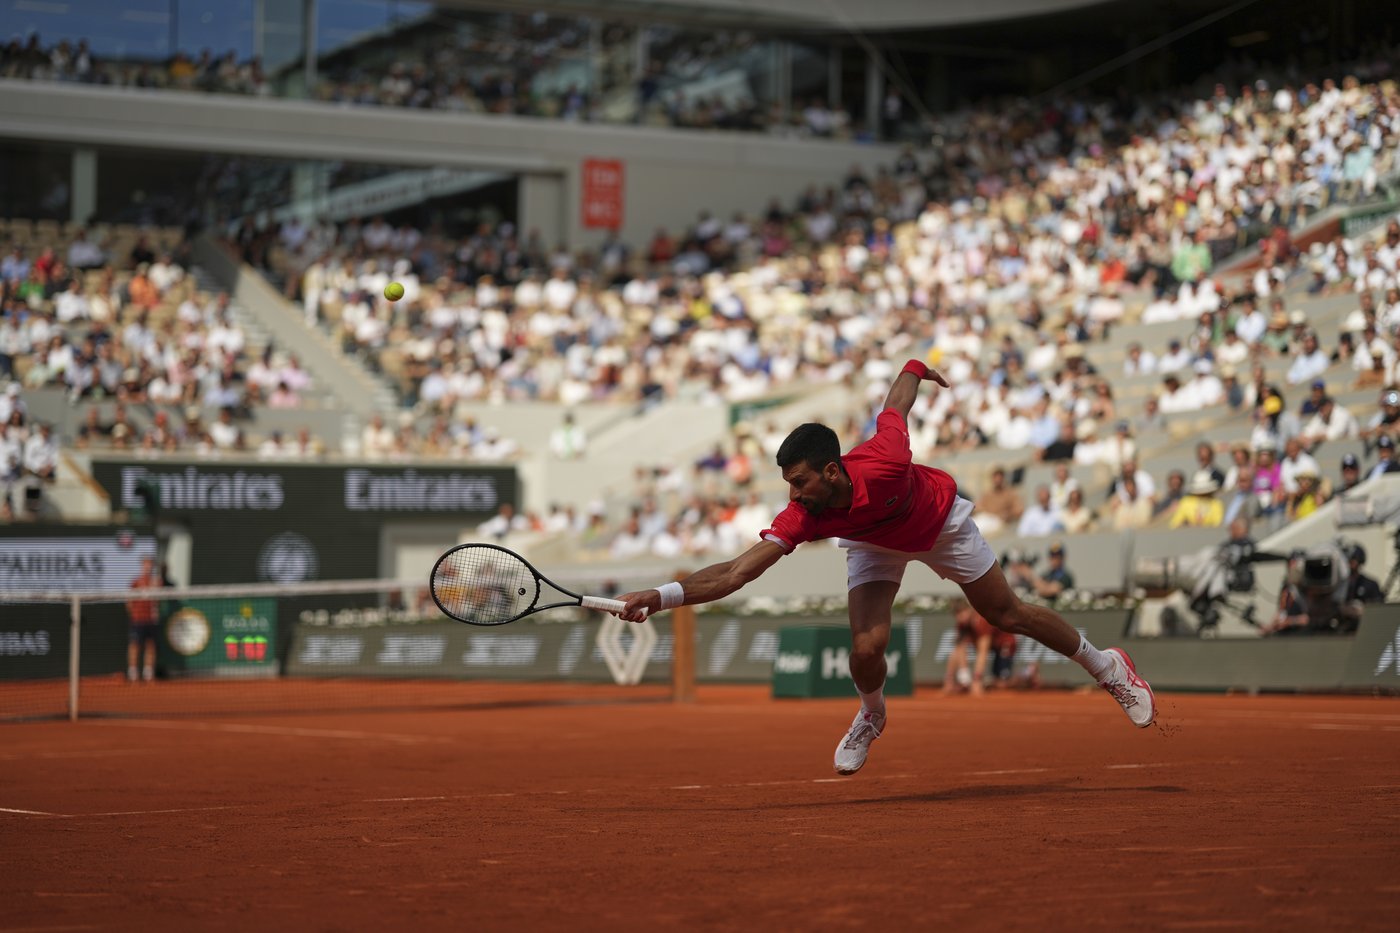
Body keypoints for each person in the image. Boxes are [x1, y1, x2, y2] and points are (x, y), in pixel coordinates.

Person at [615, 358, 1156, 776]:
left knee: (1006, 613)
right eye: (788, 484)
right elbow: (737, 572)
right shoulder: (805, 512)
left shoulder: (888, 460)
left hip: (937, 522)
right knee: (866, 648)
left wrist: (916, 367)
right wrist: (660, 596)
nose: (794, 493)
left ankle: (1108, 667)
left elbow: (897, 404)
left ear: (832, 470)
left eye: (800, 481)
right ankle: (872, 713)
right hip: (872, 546)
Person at [943, 597, 1016, 696]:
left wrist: (977, 680)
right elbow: (958, 650)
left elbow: (983, 652)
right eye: (956, 614)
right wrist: (949, 680)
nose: (959, 617)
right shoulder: (962, 624)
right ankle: (966, 681)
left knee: (1001, 684)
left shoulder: (981, 621)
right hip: (991, 645)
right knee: (960, 647)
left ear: (969, 610)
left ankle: (1026, 676)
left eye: (961, 612)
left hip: (1004, 644)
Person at [126, 556, 162, 683]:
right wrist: (134, 614)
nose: (148, 567)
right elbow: (129, 602)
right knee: (135, 645)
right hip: (138, 620)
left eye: (150, 564)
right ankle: (133, 672)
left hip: (151, 620)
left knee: (151, 645)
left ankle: (148, 672)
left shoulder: (157, 582)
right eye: (145, 564)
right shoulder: (136, 582)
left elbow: (158, 601)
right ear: (142, 566)